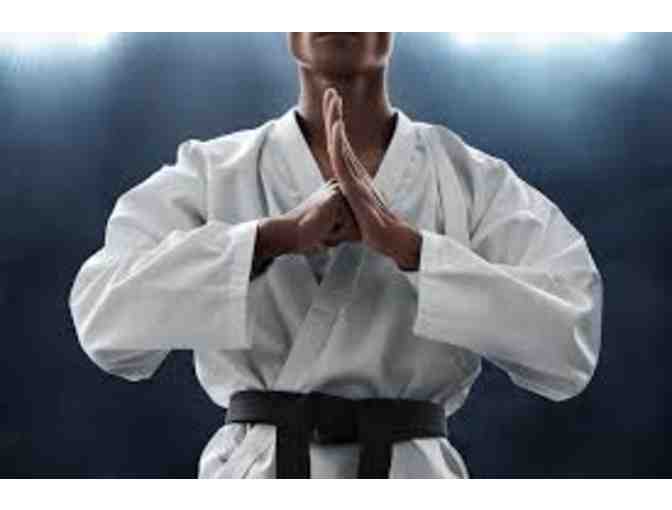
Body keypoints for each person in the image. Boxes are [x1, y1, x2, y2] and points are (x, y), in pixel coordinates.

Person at [68, 32, 603, 478]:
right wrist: (269, 239)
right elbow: (103, 320)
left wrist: (410, 248)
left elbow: (570, 343)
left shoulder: (471, 181)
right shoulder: (214, 172)